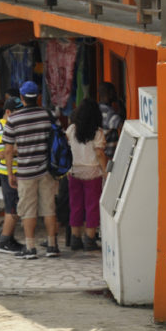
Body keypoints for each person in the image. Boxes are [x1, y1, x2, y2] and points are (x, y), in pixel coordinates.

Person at [2, 80, 59, 259]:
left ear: (21, 97)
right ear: (39, 97)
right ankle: (52, 246)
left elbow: (8, 150)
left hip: (25, 172)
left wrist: (11, 173)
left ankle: (31, 247)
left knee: (28, 210)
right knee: (49, 208)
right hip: (47, 170)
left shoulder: (13, 119)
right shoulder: (48, 115)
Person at [66, 98, 107, 251]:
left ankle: (75, 238)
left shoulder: (71, 130)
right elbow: (100, 153)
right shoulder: (97, 132)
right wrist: (105, 172)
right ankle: (89, 238)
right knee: (92, 206)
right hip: (92, 172)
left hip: (74, 171)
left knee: (75, 205)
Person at [0, 96, 25, 253]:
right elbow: (1, 153)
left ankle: (9, 237)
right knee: (11, 207)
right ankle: (4, 242)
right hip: (8, 173)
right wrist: (21, 149)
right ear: (8, 112)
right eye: (17, 112)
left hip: (16, 171)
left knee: (15, 206)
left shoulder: (13, 127)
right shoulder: (1, 129)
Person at [98, 82, 123, 162]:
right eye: (114, 92)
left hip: (99, 154)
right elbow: (123, 126)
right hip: (108, 157)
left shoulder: (97, 108)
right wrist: (121, 103)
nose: (116, 94)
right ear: (109, 94)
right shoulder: (109, 113)